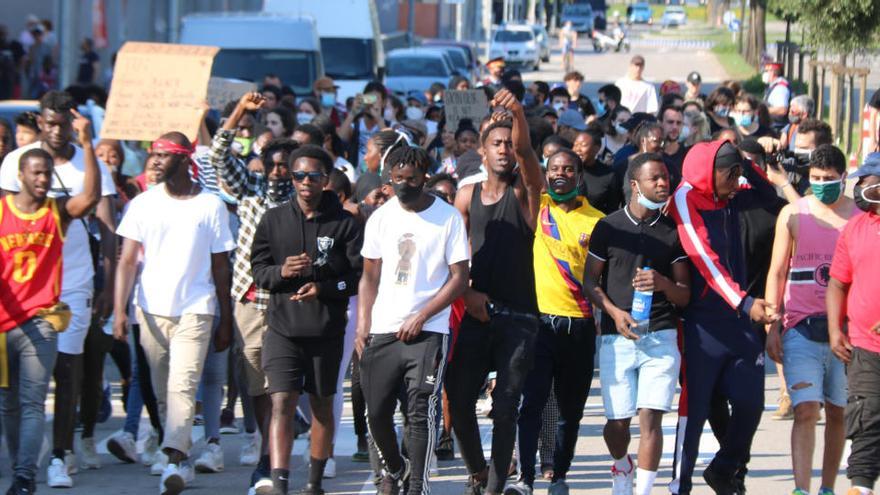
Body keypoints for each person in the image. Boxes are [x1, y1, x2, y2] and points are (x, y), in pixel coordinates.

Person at [0, 90, 117, 487]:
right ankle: (22, 464)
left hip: (57, 302)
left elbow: (96, 210)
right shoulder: (11, 184)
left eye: (47, 175)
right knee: (10, 402)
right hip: (8, 310)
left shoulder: (68, 197)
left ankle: (45, 462)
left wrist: (108, 280)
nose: (42, 179)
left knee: (51, 385)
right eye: (47, 122)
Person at [113, 131, 235, 495]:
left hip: (196, 309)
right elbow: (127, 261)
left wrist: (225, 318)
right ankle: (176, 447)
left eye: (163, 156)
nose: (155, 162)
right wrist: (120, 310)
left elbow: (221, 268)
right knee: (163, 389)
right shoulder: (143, 204)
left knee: (183, 385)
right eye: (153, 155)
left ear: (184, 159)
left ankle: (174, 460)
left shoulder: (210, 206)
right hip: (150, 310)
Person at [250, 145, 363, 495]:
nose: (304, 182)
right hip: (282, 328)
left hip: (326, 330)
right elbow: (258, 270)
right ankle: (280, 481)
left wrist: (324, 288)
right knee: (281, 400)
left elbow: (357, 278)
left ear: (326, 180)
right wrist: (281, 271)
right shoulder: (273, 219)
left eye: (313, 176)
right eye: (298, 175)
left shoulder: (345, 223)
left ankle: (314, 482)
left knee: (320, 404)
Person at [446, 88, 543, 495]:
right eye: (496, 143)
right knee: (458, 394)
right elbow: (454, 257)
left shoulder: (525, 192)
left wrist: (517, 112)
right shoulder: (466, 196)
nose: (504, 149)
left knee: (505, 407)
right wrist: (466, 294)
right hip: (477, 312)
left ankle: (495, 488)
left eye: (508, 143)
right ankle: (479, 472)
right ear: (482, 152)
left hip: (520, 318)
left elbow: (527, 157)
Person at [356, 145, 469, 494]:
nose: (404, 185)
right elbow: (369, 276)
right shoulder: (380, 218)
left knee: (421, 411)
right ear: (389, 177)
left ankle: (418, 485)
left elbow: (459, 278)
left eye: (412, 179)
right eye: (398, 179)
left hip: (429, 331)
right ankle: (396, 466)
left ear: (425, 178)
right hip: (383, 328)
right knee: (375, 414)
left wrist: (423, 315)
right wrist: (363, 324)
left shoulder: (447, 217)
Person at [668, 140, 779, 494]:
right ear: (710, 172)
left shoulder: (731, 187)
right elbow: (705, 259)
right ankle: (679, 485)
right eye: (730, 176)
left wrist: (748, 162)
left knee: (751, 403)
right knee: (696, 411)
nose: (736, 183)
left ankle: (724, 469)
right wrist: (745, 303)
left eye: (737, 175)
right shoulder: (685, 198)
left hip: (739, 318)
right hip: (703, 322)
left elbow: (770, 197)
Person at [207, 91, 302, 491]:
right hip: (248, 299)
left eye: (287, 167)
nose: (279, 172)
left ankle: (268, 458)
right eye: (273, 165)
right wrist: (240, 114)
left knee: (280, 382)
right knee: (255, 379)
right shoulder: (250, 189)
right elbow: (218, 156)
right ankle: (270, 440)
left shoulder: (304, 199)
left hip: (287, 302)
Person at [584, 153, 690, 495]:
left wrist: (662, 283)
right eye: (654, 179)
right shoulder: (608, 226)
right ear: (634, 184)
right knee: (617, 423)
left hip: (661, 335)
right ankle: (621, 463)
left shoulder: (674, 232)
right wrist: (615, 314)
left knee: (651, 418)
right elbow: (590, 283)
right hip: (618, 336)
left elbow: (684, 295)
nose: (663, 184)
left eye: (665, 179)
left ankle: (640, 490)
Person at [505, 147, 604, 495]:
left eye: (569, 169)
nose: (560, 174)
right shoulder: (539, 207)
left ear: (580, 176)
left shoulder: (598, 221)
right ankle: (525, 479)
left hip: (580, 326)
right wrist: (517, 117)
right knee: (530, 402)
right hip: (539, 326)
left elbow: (603, 278)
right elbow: (525, 158)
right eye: (554, 169)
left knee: (570, 411)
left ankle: (559, 474)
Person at [764, 144, 856, 495]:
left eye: (829, 179)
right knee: (805, 410)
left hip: (846, 333)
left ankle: (827, 487)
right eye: (815, 179)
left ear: (843, 178)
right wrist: (772, 325)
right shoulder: (792, 214)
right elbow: (776, 273)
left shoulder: (860, 218)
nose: (821, 184)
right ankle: (801, 489)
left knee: (838, 412)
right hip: (800, 328)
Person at [826, 152, 880, 495]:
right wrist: (835, 328)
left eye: (867, 181)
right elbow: (837, 283)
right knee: (867, 418)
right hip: (864, 347)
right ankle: (859, 487)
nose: (858, 188)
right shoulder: (855, 228)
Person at [338, 81, 391, 170]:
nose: (371, 103)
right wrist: (353, 113)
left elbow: (391, 144)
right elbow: (340, 139)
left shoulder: (388, 125)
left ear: (384, 102)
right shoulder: (355, 125)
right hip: (357, 174)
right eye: (369, 98)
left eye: (375, 99)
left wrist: (378, 118)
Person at [572, 127, 623, 214]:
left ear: (597, 148)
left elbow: (612, 209)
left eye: (583, 145)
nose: (577, 149)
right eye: (575, 145)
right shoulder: (565, 171)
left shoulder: (609, 175)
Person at [659, 105, 687, 188]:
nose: (675, 127)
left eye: (679, 123)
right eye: (670, 122)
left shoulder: (688, 155)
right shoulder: (652, 153)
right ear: (660, 123)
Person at [762, 62, 791, 132]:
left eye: (766, 71)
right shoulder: (774, 86)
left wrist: (762, 111)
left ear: (773, 72)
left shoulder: (780, 88)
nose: (764, 73)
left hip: (777, 128)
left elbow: (782, 110)